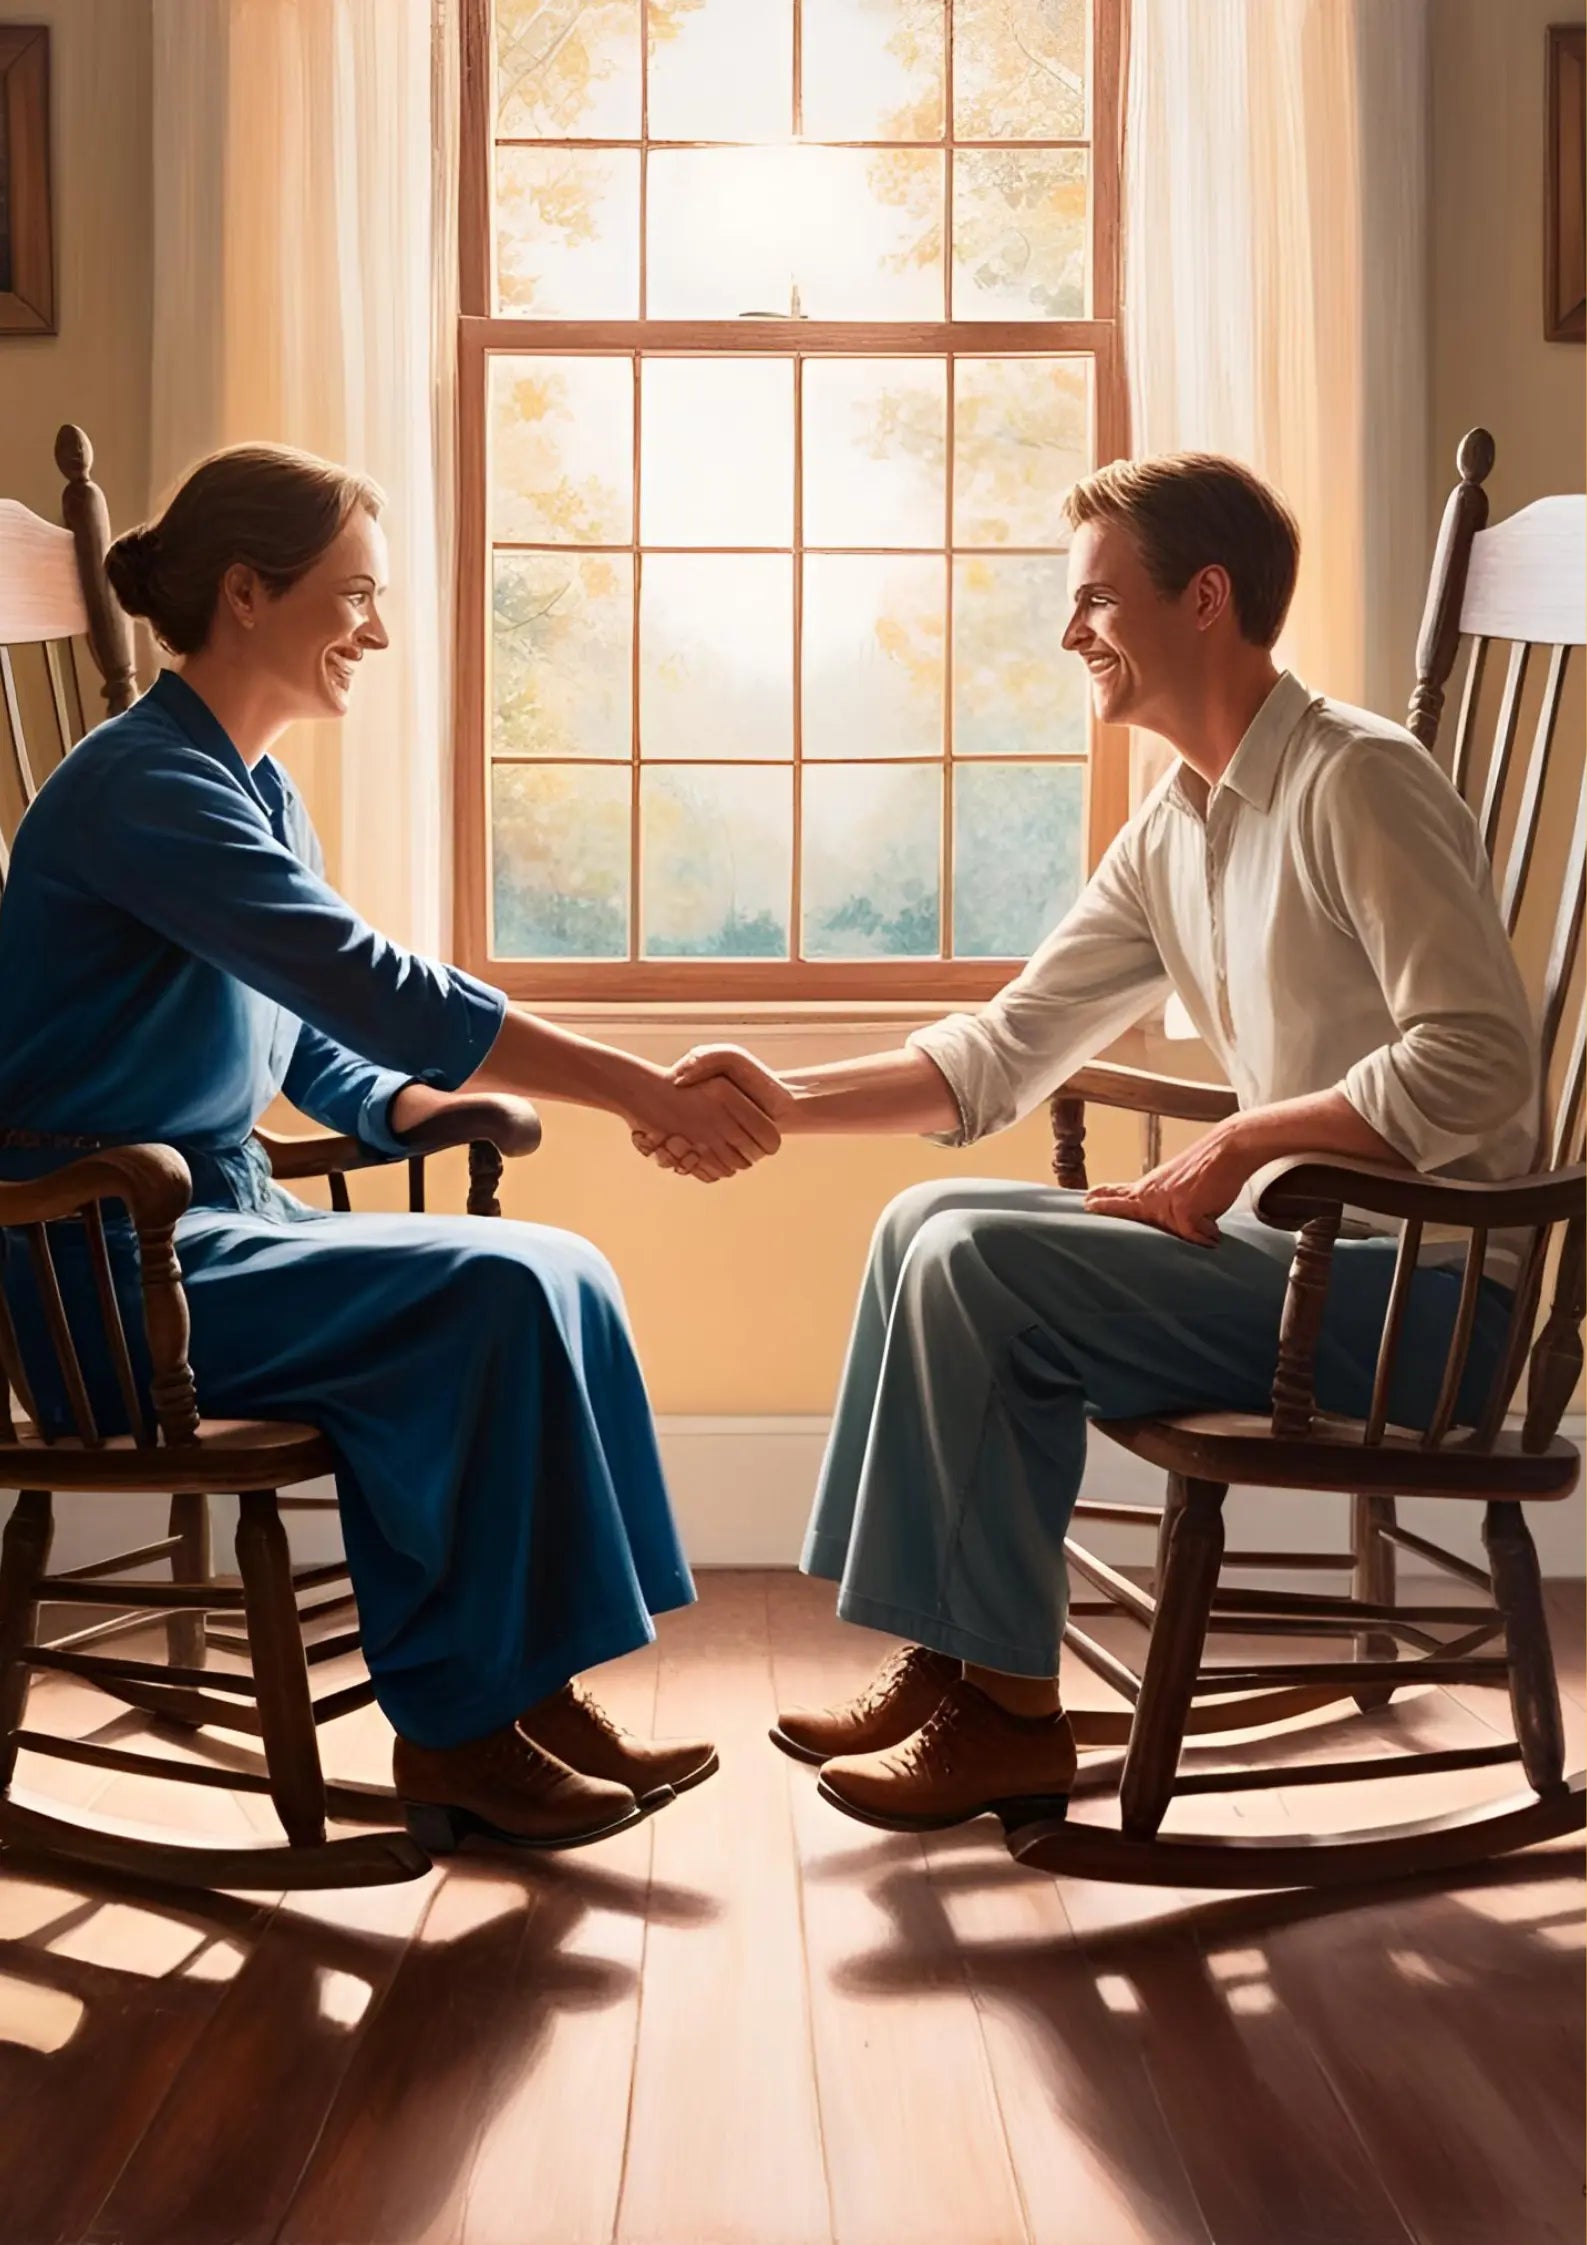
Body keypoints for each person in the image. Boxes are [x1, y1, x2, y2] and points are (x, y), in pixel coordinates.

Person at [637, 451, 1539, 1837]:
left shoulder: (1359, 779)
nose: (1072, 635)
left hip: (1420, 1297)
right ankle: (956, 1652)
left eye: (1095, 602)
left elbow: (1476, 1057)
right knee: (924, 1225)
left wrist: (1240, 1144)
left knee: (986, 1269)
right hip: (1291, 1257)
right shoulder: (1177, 823)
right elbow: (1004, 1048)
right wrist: (786, 1099)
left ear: (1205, 600)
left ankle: (1006, 1717)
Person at [0, 443, 784, 1855]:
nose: (376, 627)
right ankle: (455, 1730)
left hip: (220, 1234)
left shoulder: (250, 787)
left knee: (555, 1265)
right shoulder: (143, 789)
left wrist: (409, 1110)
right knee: (481, 1293)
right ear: (249, 591)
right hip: (105, 1263)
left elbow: (310, 1034)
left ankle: (527, 1694)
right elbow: (370, 980)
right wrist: (635, 1089)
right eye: (356, 593)